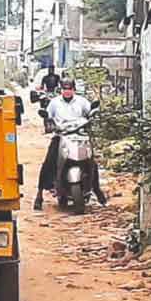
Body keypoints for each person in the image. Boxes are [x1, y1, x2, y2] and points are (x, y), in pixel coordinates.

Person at [34, 77, 107, 210]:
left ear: (73, 89)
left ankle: (96, 189)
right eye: (65, 89)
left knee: (91, 160)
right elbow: (48, 116)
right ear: (61, 89)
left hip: (80, 135)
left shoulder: (81, 101)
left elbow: (90, 111)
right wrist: (49, 124)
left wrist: (92, 116)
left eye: (69, 89)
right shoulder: (55, 103)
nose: (67, 91)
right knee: (49, 161)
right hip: (61, 135)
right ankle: (39, 195)